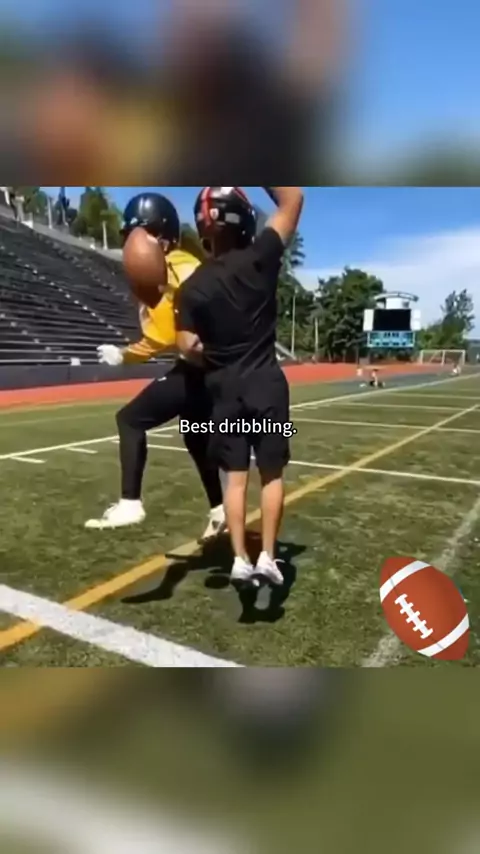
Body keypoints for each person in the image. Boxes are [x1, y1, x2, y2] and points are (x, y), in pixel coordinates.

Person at [175, 187, 304, 586]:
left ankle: (239, 560)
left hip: (224, 391)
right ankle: (268, 557)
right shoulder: (261, 256)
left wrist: (216, 355)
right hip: (266, 385)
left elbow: (187, 347)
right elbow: (293, 199)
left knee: (235, 478)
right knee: (271, 474)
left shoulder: (192, 288)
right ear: (243, 218)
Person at [85, 191, 226, 541]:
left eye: (141, 234)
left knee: (130, 419)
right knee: (195, 437)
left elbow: (163, 335)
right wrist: (126, 354)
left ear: (162, 238)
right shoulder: (180, 265)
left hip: (201, 369)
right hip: (204, 369)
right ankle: (220, 510)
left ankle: (130, 502)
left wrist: (127, 355)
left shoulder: (179, 268)